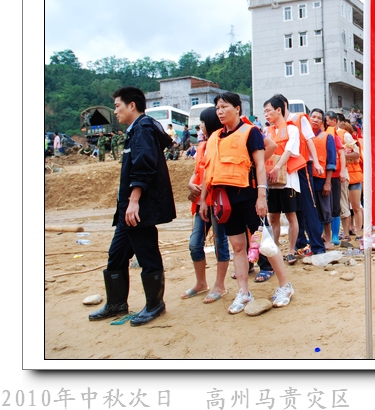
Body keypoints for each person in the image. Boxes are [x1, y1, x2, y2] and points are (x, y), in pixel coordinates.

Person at [199, 92, 294, 314]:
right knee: (238, 246)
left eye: (224, 106)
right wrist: (204, 199)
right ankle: (243, 292)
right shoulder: (214, 138)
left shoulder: (250, 132)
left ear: (237, 108)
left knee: (265, 242)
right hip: (225, 200)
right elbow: (208, 170)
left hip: (249, 196)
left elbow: (260, 165)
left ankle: (285, 286)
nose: (220, 111)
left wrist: (261, 196)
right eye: (217, 108)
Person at [88, 86, 175, 326]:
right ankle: (116, 303)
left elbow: (144, 166)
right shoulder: (135, 130)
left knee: (147, 254)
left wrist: (134, 201)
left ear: (132, 105)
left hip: (139, 209)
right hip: (127, 208)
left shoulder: (143, 129)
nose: (115, 111)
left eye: (117, 106)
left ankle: (155, 304)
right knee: (116, 254)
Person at [182, 106, 231, 304]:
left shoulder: (222, 143)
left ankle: (220, 285)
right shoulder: (201, 146)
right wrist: (190, 184)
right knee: (195, 244)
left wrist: (204, 196)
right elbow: (197, 171)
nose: (200, 126)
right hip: (200, 203)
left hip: (216, 202)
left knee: (221, 244)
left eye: (202, 122)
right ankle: (201, 283)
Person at [271, 94, 326, 262]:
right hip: (285, 171)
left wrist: (316, 162)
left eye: (270, 109)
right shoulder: (274, 126)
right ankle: (300, 244)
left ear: (281, 107)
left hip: (301, 167)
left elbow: (309, 141)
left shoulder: (299, 119)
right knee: (294, 208)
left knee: (308, 205)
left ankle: (317, 246)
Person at [263, 95, 305, 267]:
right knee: (273, 216)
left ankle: (291, 250)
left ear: (278, 110)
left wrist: (277, 168)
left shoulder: (292, 129)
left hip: (288, 180)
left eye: (268, 111)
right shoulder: (267, 131)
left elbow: (289, 150)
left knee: (290, 215)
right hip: (271, 181)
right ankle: (275, 248)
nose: (266, 114)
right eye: (264, 112)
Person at [309, 109, 337, 249]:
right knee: (310, 211)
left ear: (322, 122)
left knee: (325, 210)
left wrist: (328, 182)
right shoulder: (304, 136)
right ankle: (315, 239)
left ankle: (328, 239)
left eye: (319, 118)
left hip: (321, 179)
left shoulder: (327, 137)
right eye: (313, 117)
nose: (315, 120)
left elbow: (331, 161)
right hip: (307, 179)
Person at [325, 111, 350, 242]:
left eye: (326, 120)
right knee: (323, 207)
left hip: (335, 175)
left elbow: (341, 154)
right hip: (320, 175)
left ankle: (335, 235)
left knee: (336, 206)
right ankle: (325, 235)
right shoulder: (315, 135)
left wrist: (342, 172)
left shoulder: (334, 136)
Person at [339, 121, 363, 238]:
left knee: (356, 207)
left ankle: (358, 231)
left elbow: (357, 155)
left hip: (354, 177)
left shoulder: (354, 144)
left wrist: (341, 155)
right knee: (346, 207)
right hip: (345, 177)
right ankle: (349, 230)